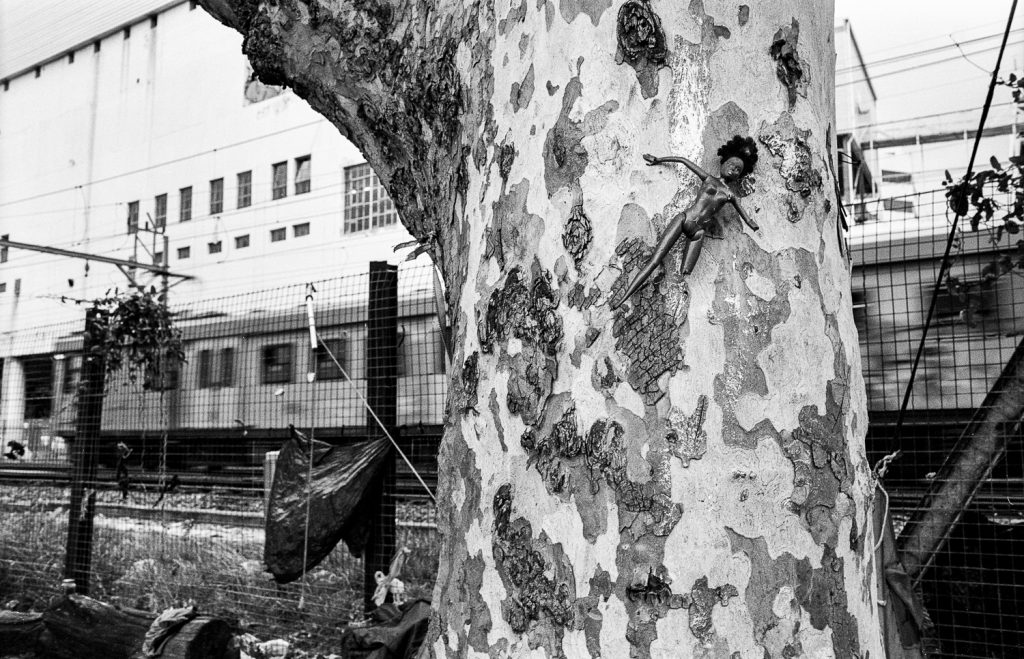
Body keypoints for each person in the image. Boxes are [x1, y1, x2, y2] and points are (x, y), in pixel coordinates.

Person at [613, 136, 759, 309]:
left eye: (738, 170)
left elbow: (744, 215)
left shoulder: (729, 195)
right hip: (685, 219)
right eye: (732, 165)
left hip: (698, 232)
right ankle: (623, 298)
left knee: (684, 274)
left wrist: (752, 224)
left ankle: (675, 305)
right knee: (655, 259)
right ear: (723, 162)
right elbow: (683, 161)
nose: (734, 170)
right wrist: (658, 159)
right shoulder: (708, 179)